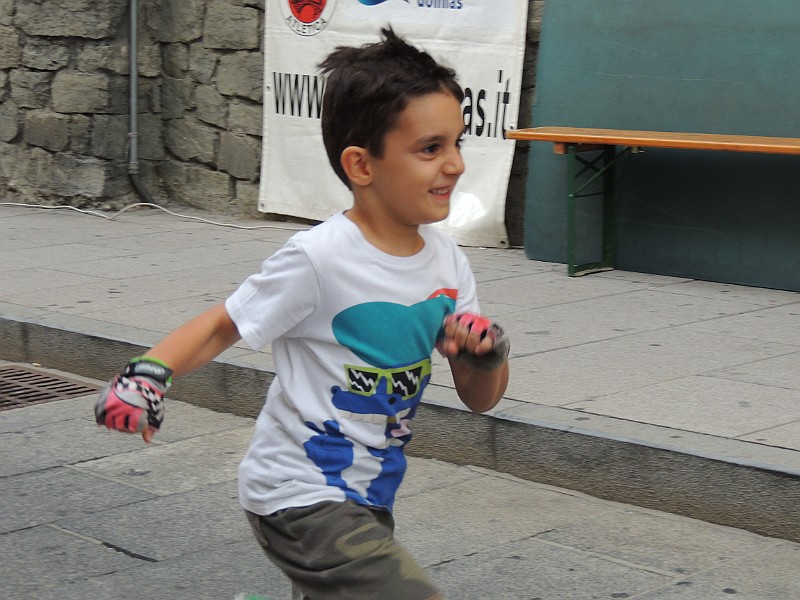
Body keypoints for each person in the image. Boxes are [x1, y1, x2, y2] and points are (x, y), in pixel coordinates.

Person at [95, 27, 510, 600]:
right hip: (299, 495)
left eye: (458, 144)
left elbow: (481, 398)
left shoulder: (448, 264)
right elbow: (225, 322)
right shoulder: (319, 258)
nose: (456, 165)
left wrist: (485, 356)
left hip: (369, 494)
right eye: (430, 148)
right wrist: (147, 375)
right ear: (361, 165)